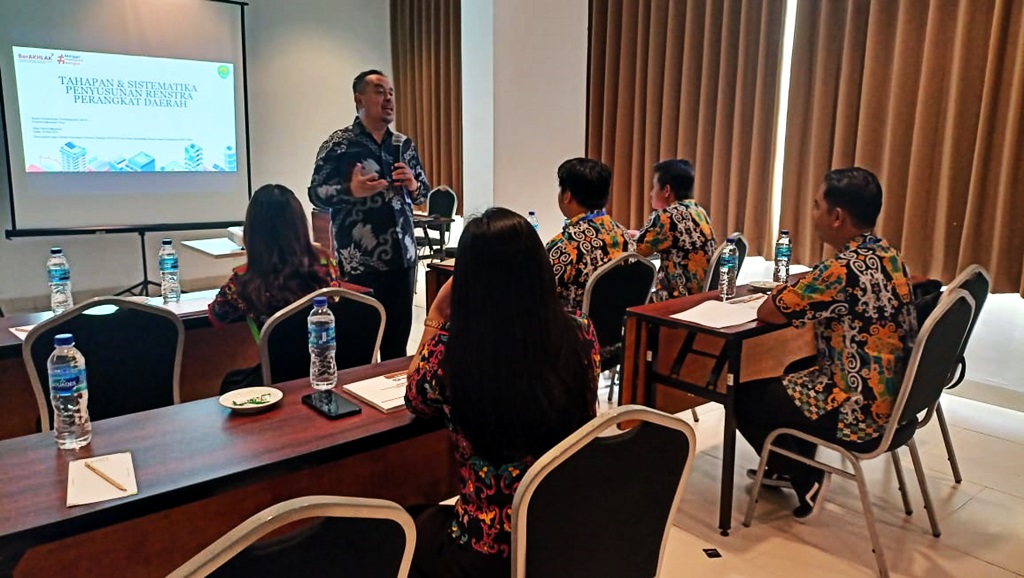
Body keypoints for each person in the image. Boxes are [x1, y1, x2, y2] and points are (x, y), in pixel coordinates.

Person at [405, 208, 601, 577]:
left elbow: (415, 398)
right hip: (563, 531)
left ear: (468, 281)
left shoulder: (449, 352)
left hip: (486, 550)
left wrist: (436, 314)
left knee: (402, 526)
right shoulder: (580, 332)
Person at [737, 167, 917, 521]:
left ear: (837, 216)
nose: (813, 213)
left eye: (817, 205)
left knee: (744, 393)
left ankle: (805, 477)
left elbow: (769, 311)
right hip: (897, 399)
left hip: (858, 409)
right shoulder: (890, 255)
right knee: (797, 371)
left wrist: (799, 285)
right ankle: (786, 466)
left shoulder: (840, 271)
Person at [309, 69, 429, 360]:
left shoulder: (404, 145)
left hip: (403, 261)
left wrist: (413, 185)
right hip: (359, 264)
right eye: (379, 91)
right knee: (358, 349)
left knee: (396, 348)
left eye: (391, 92)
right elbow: (316, 193)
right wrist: (350, 190)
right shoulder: (339, 144)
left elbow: (423, 193)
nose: (388, 98)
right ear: (359, 99)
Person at [546, 158, 636, 311]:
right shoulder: (624, 235)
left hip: (574, 324)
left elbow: (538, 294)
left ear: (567, 195)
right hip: (618, 324)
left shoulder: (565, 245)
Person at [634, 159, 716, 300]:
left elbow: (634, 251)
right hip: (702, 297)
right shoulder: (698, 211)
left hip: (677, 298)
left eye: (654, 187)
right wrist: (641, 235)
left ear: (666, 190)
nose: (651, 193)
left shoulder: (665, 216)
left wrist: (625, 237)